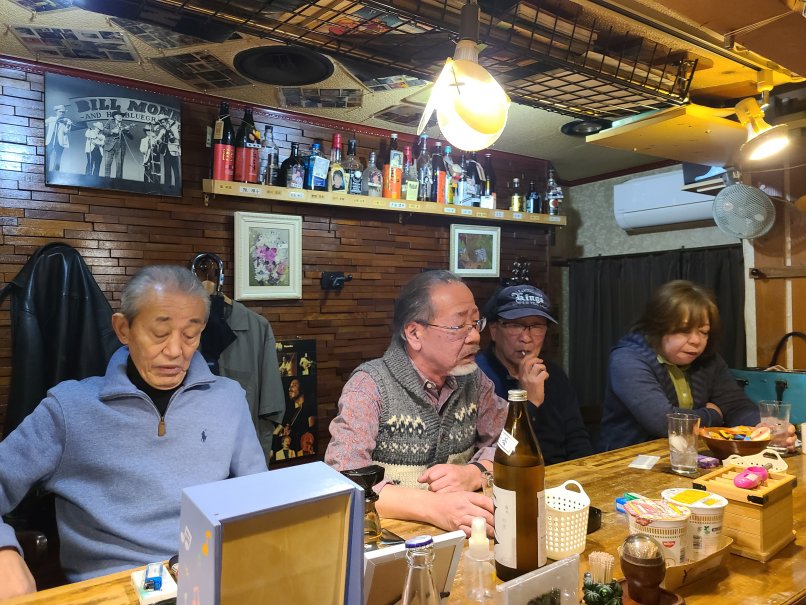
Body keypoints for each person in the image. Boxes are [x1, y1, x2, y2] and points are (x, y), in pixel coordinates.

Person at [0, 265, 267, 598]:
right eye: (159, 333)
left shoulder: (228, 399)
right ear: (123, 328)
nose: (175, 351)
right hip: (115, 589)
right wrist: (4, 549)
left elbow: (261, 498)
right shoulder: (68, 409)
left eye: (190, 335)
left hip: (210, 580)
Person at [325, 270, 515, 537]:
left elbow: (512, 443)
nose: (474, 337)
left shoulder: (473, 380)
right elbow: (344, 479)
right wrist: (435, 507)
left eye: (475, 323)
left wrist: (475, 473)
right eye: (459, 326)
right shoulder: (370, 386)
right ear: (414, 333)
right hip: (391, 539)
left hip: (463, 535)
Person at [600, 280, 795, 450]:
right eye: (684, 330)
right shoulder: (628, 358)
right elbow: (664, 422)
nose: (696, 341)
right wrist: (713, 415)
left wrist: (765, 427)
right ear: (658, 328)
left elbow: (736, 406)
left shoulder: (708, 359)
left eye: (704, 332)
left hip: (689, 455)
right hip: (626, 461)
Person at [476, 284, 592, 464]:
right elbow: (498, 452)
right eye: (515, 325)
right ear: (494, 330)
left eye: (536, 326)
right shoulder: (477, 377)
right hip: (509, 474)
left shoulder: (554, 374)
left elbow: (577, 439)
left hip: (563, 474)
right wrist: (528, 402)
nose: (526, 338)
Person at [102, 109, 133, 180]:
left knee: (119, 166)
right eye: (119, 115)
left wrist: (127, 131)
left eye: (121, 115)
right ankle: (106, 181)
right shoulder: (110, 122)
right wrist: (112, 131)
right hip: (109, 147)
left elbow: (131, 137)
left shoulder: (124, 125)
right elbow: (103, 131)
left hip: (120, 148)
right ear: (115, 116)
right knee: (107, 165)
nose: (120, 117)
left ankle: (118, 182)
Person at [45, 104, 73, 172]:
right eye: (60, 112)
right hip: (50, 141)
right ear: (56, 112)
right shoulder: (52, 119)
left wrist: (68, 124)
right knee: (47, 157)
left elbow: (66, 131)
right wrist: (56, 120)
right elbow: (44, 123)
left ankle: (56, 173)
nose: (62, 113)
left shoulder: (64, 122)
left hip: (59, 143)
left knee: (58, 158)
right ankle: (46, 171)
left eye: (63, 112)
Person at [156, 114, 181, 189]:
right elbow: (157, 139)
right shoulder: (162, 130)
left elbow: (177, 137)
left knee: (176, 171)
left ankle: (177, 188)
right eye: (161, 122)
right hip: (165, 152)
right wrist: (159, 141)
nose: (162, 123)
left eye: (163, 122)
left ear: (167, 121)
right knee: (167, 171)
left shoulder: (173, 128)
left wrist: (170, 130)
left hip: (173, 152)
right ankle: (167, 188)